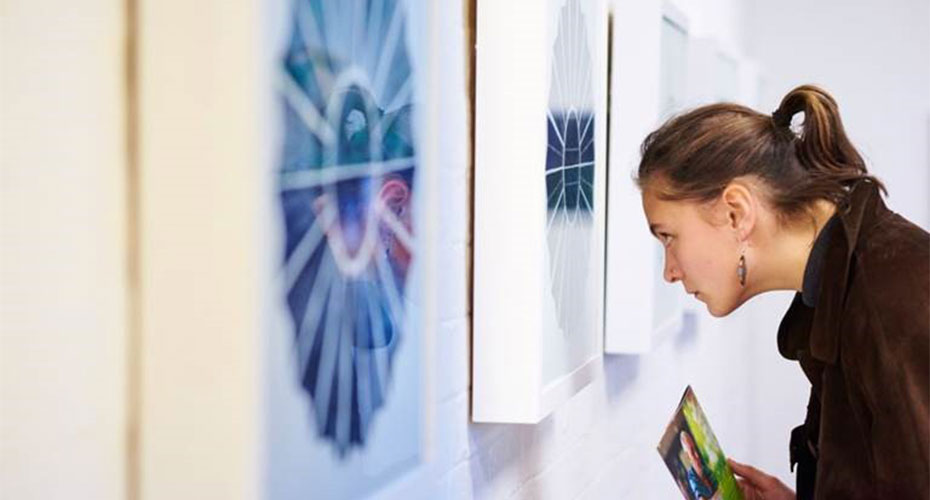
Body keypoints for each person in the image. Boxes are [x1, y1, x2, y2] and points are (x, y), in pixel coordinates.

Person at [637, 84, 929, 499]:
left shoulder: (891, 302)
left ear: (735, 212)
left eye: (668, 237)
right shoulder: (847, 288)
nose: (669, 271)